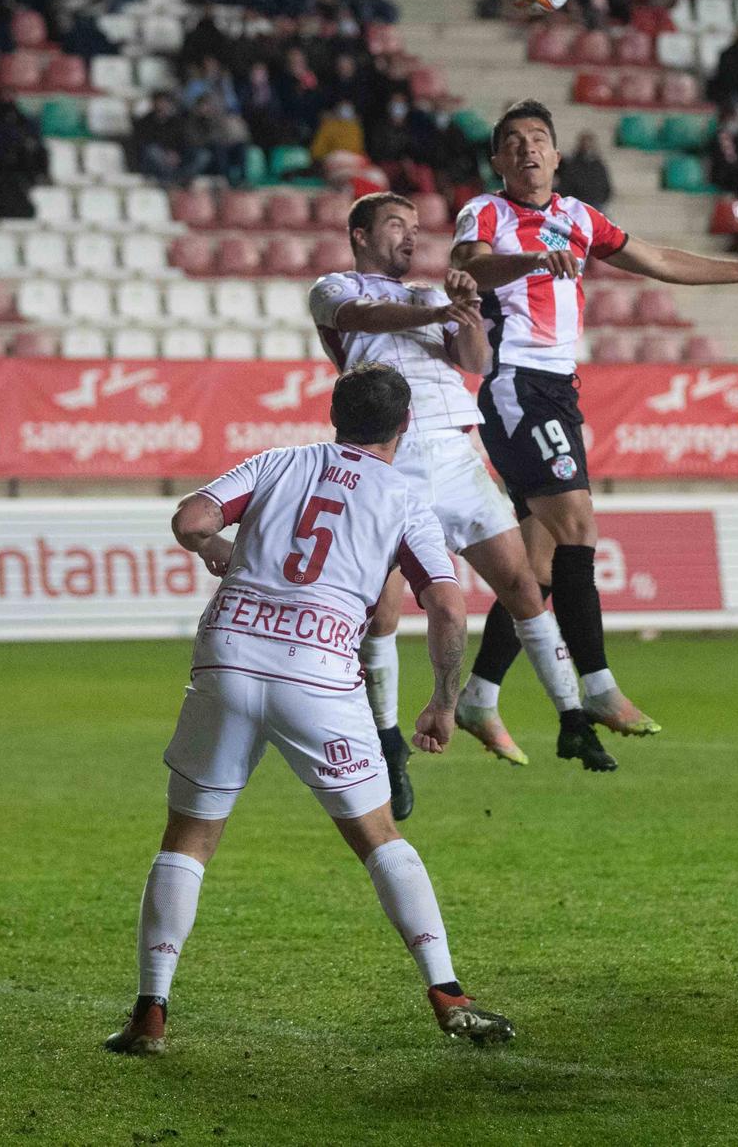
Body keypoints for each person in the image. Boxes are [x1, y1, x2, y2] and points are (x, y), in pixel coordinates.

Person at [102, 363, 515, 1057]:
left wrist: (217, 548)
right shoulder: (406, 497)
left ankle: (150, 1012)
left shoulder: (277, 460)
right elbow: (445, 601)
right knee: (379, 836)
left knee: (189, 837)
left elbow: (190, 518)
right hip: (318, 668)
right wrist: (445, 701)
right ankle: (447, 994)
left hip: (229, 653)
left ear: (332, 413)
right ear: (404, 425)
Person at [449, 101, 738, 756]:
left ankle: (479, 695)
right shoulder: (488, 213)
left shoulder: (578, 218)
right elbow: (472, 267)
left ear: (558, 156)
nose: (528, 149)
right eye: (514, 142)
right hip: (515, 385)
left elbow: (658, 258)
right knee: (579, 524)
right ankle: (599, 685)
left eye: (539, 139)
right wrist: (530, 260)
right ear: (499, 161)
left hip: (557, 389)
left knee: (540, 562)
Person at [310, 196, 609, 813]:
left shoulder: (429, 297)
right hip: (386, 454)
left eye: (417, 230)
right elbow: (361, 316)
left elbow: (477, 363)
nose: (411, 238)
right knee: (383, 614)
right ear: (360, 234)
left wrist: (468, 314)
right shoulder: (334, 287)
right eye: (397, 225)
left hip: (453, 450)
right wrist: (440, 305)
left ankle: (572, 717)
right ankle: (390, 744)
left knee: (524, 585)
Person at [554, 132, 612, 209]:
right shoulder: (570, 163)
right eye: (584, 143)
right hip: (575, 204)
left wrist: (601, 199)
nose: (587, 146)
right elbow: (566, 184)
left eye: (589, 144)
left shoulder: (597, 165)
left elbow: (605, 185)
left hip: (595, 204)